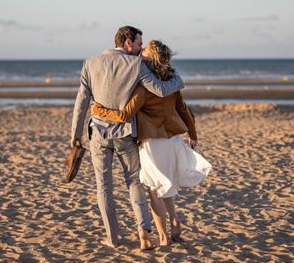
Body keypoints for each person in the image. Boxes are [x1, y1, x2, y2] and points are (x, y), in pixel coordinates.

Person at [70, 26, 185, 250]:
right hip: (125, 133)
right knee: (134, 183)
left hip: (99, 133)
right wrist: (179, 82)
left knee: (103, 187)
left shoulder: (90, 63)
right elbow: (161, 90)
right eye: (139, 43)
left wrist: (75, 135)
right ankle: (143, 234)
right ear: (127, 42)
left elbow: (81, 101)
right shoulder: (136, 65)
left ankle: (112, 239)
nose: (141, 48)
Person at [91, 40, 212, 246]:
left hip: (152, 143)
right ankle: (174, 222)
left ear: (150, 58)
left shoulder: (143, 88)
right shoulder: (171, 82)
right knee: (167, 185)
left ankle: (164, 237)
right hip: (172, 139)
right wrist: (193, 135)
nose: (141, 51)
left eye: (145, 50)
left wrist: (98, 110)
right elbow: (184, 110)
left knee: (154, 190)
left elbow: (125, 115)